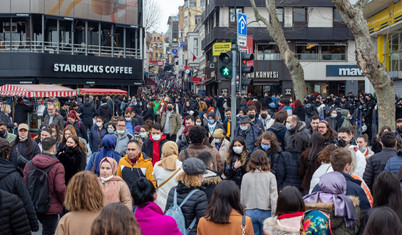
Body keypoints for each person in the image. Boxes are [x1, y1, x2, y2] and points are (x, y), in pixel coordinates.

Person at [23, 137, 66, 235]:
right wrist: (63, 201)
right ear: (54, 149)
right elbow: (60, 188)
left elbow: (24, 184)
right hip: (50, 206)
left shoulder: (30, 164)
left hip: (34, 202)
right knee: (49, 231)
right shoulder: (58, 166)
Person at [0, 138, 39, 232]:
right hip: (8, 222)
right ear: (7, 155)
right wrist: (34, 225)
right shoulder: (14, 176)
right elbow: (26, 201)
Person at [165, 157, 208, 235]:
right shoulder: (200, 195)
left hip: (173, 232)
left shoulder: (173, 191)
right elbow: (203, 222)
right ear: (198, 176)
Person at [241, 150, 277, 235]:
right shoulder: (270, 176)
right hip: (265, 210)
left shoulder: (245, 177)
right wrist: (274, 214)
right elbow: (274, 197)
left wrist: (243, 212)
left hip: (249, 210)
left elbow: (242, 197)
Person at [153, 141, 183, 210]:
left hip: (160, 201)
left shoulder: (157, 165)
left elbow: (154, 177)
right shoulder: (181, 166)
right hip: (176, 202)